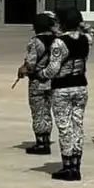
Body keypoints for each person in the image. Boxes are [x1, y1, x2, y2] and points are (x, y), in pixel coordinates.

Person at [44, 7, 91, 181]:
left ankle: (68, 165)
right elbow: (90, 31)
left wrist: (41, 74)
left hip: (63, 87)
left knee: (65, 127)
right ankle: (77, 164)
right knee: (77, 124)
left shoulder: (59, 42)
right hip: (80, 86)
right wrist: (82, 24)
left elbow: (53, 69)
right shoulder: (86, 39)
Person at [18, 12, 57, 155]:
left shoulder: (35, 42)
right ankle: (46, 138)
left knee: (38, 112)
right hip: (52, 81)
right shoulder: (57, 40)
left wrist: (22, 71)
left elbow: (30, 65)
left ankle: (41, 143)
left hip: (37, 82)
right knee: (47, 111)